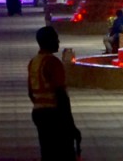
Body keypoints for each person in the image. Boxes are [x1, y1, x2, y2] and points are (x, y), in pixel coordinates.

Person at [28, 26, 78, 161]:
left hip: (39, 113)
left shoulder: (34, 62)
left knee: (47, 151)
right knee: (64, 151)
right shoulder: (53, 63)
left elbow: (31, 92)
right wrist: (70, 125)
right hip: (54, 114)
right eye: (56, 39)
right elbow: (61, 94)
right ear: (48, 41)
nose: (58, 42)